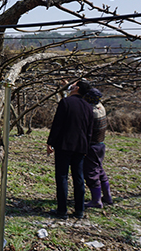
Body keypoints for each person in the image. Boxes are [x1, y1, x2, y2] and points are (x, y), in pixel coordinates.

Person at [47, 80, 94, 219]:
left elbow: (57, 124)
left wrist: (51, 142)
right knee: (78, 177)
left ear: (77, 88)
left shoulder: (66, 102)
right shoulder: (88, 107)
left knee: (62, 176)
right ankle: (79, 210)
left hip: (64, 145)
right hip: (81, 146)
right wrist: (87, 146)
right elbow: (89, 130)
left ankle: (62, 210)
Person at [83, 87, 113, 208]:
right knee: (100, 171)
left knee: (91, 173)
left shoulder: (90, 112)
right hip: (100, 145)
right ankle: (107, 196)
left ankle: (96, 200)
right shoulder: (100, 107)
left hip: (92, 146)